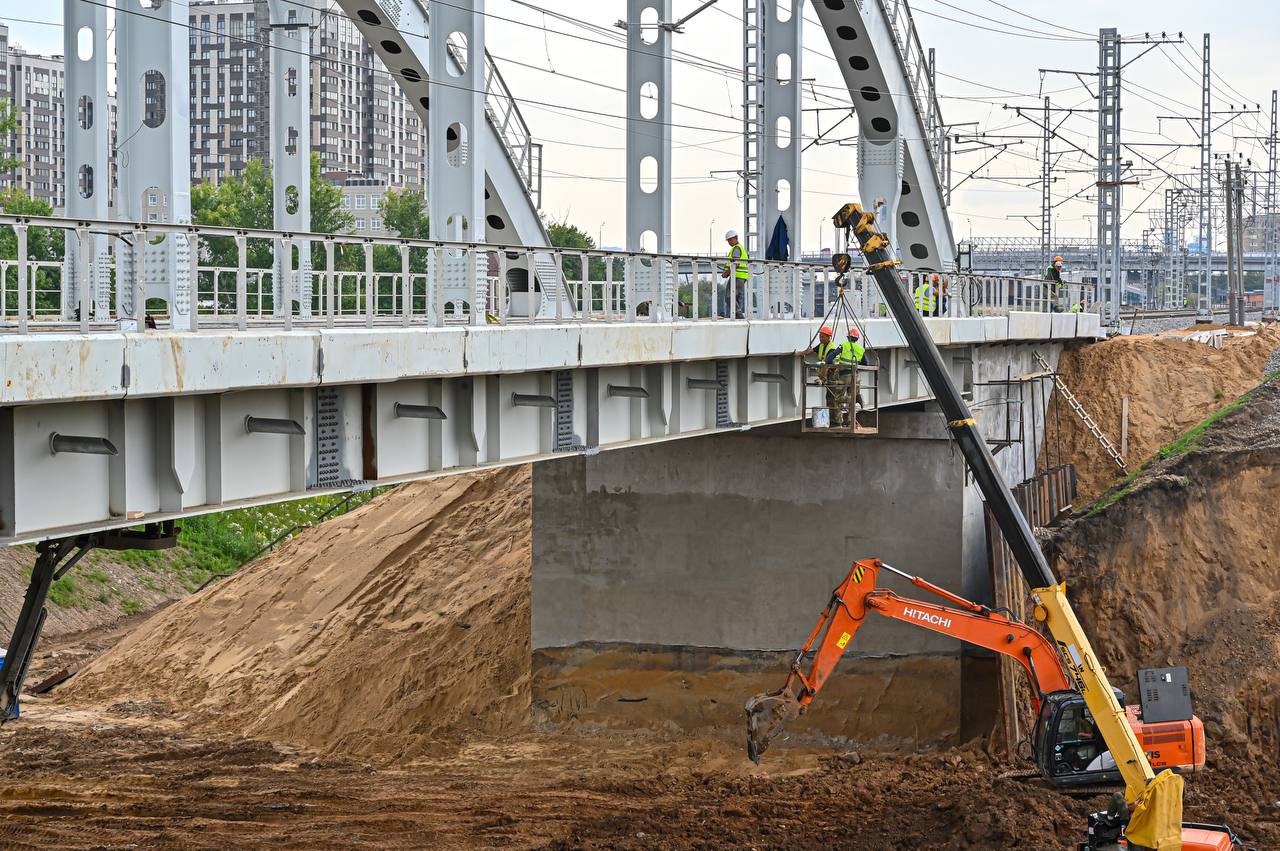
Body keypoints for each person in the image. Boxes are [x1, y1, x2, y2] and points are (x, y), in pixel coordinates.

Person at [826, 328, 866, 426]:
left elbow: (829, 358)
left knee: (837, 398)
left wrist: (831, 365)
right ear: (857, 339)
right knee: (852, 398)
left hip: (844, 376)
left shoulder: (843, 345)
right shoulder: (861, 349)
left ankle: (838, 422)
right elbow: (865, 363)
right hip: (855, 377)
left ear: (848, 337)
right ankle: (850, 421)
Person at [720, 229, 749, 318]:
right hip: (742, 277)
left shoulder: (736, 248)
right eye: (728, 240)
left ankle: (739, 315)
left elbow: (736, 263)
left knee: (729, 296)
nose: (729, 242)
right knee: (737, 298)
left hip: (736, 276)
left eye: (730, 239)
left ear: (736, 238)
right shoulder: (740, 248)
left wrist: (727, 273)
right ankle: (738, 317)